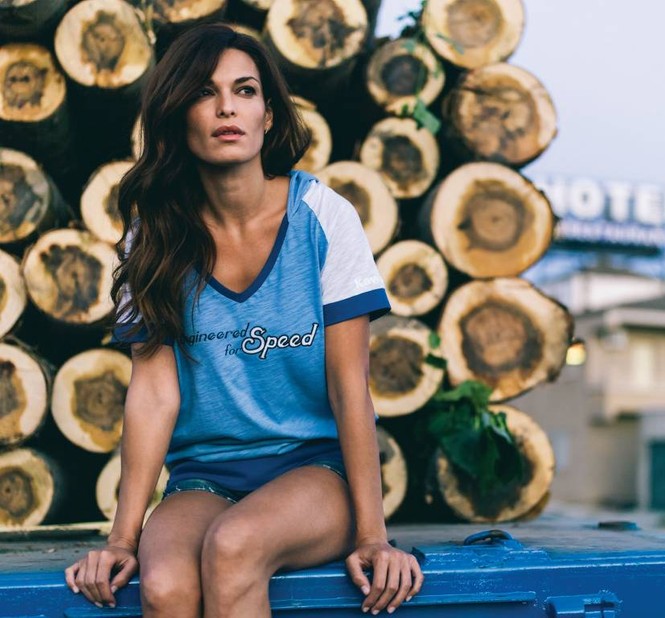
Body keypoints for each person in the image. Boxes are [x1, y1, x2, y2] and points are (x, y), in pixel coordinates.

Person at [64, 23, 423, 617]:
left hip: (315, 472)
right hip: (204, 478)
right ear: (177, 115)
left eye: (245, 90)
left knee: (234, 546)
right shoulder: (154, 236)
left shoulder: (323, 217)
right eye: (204, 92)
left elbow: (349, 386)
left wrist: (372, 535)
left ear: (269, 116)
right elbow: (154, 395)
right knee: (165, 583)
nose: (227, 107)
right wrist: (122, 539)